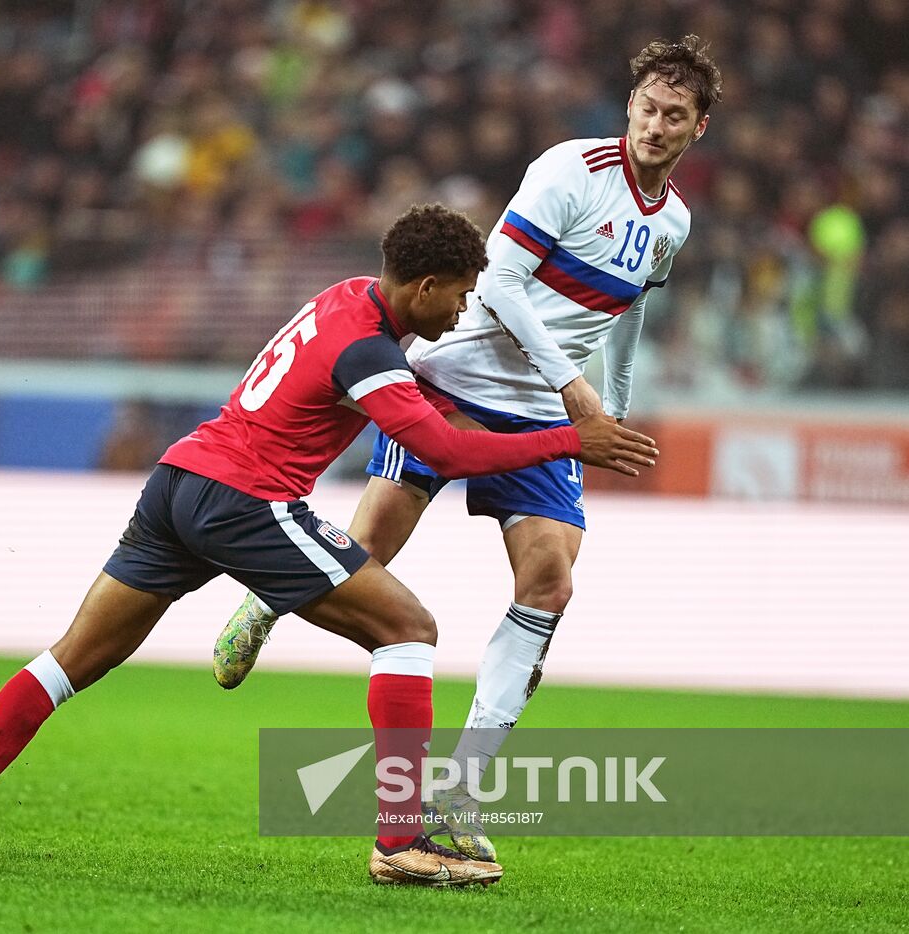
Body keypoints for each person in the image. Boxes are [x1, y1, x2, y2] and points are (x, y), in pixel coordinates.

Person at [0, 204, 659, 887]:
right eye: (460, 292)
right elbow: (447, 454)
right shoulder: (365, 350)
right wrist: (571, 439)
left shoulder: (346, 297)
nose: (465, 309)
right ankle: (401, 843)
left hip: (179, 481)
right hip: (244, 500)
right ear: (424, 287)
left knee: (70, 661)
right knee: (408, 629)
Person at [212, 36, 722, 863]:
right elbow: (502, 283)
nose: (655, 127)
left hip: (546, 418)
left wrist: (613, 404)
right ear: (628, 106)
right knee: (368, 548)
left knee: (552, 578)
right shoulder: (568, 171)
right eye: (647, 109)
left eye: (675, 116)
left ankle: (463, 789)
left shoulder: (676, 224)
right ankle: (270, 599)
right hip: (455, 377)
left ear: (699, 128)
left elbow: (627, 311)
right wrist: (570, 384)